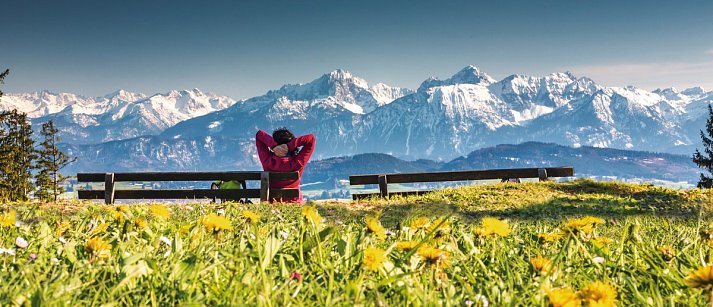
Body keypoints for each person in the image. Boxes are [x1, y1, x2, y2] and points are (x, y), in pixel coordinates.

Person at [255, 128, 316, 203]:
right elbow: (311, 139)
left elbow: (259, 135)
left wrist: (274, 146)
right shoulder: (298, 162)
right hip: (295, 204)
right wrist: (289, 146)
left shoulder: (268, 161)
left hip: (273, 205)